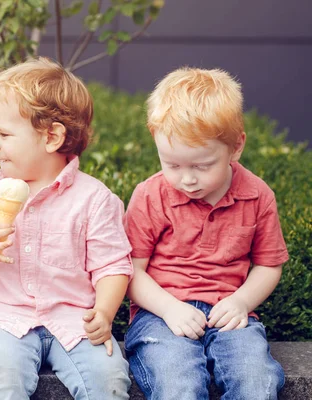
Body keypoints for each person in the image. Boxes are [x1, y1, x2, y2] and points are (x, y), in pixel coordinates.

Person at [0, 58, 133, 400]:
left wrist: (105, 312)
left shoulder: (94, 199)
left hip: (74, 320)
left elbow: (112, 265)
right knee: (2, 378)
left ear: (52, 136)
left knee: (108, 379)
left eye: (4, 134)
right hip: (3, 320)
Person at [123, 67, 288, 400]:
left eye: (201, 166)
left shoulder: (257, 195)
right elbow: (129, 271)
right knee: (177, 383)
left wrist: (241, 301)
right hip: (161, 316)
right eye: (172, 164)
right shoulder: (150, 195)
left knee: (256, 381)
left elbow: (268, 264)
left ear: (236, 146)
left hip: (229, 313)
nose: (187, 179)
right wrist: (170, 308)